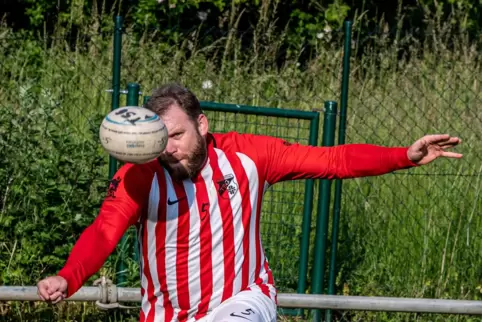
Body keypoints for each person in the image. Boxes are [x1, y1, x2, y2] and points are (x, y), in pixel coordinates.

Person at [37, 83, 462, 322]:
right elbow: (104, 230)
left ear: (202, 124)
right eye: (161, 140)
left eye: (179, 135)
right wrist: (68, 277)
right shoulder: (140, 174)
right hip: (166, 314)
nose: (170, 149)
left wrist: (403, 157)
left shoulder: (248, 157)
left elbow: (332, 160)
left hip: (242, 300)